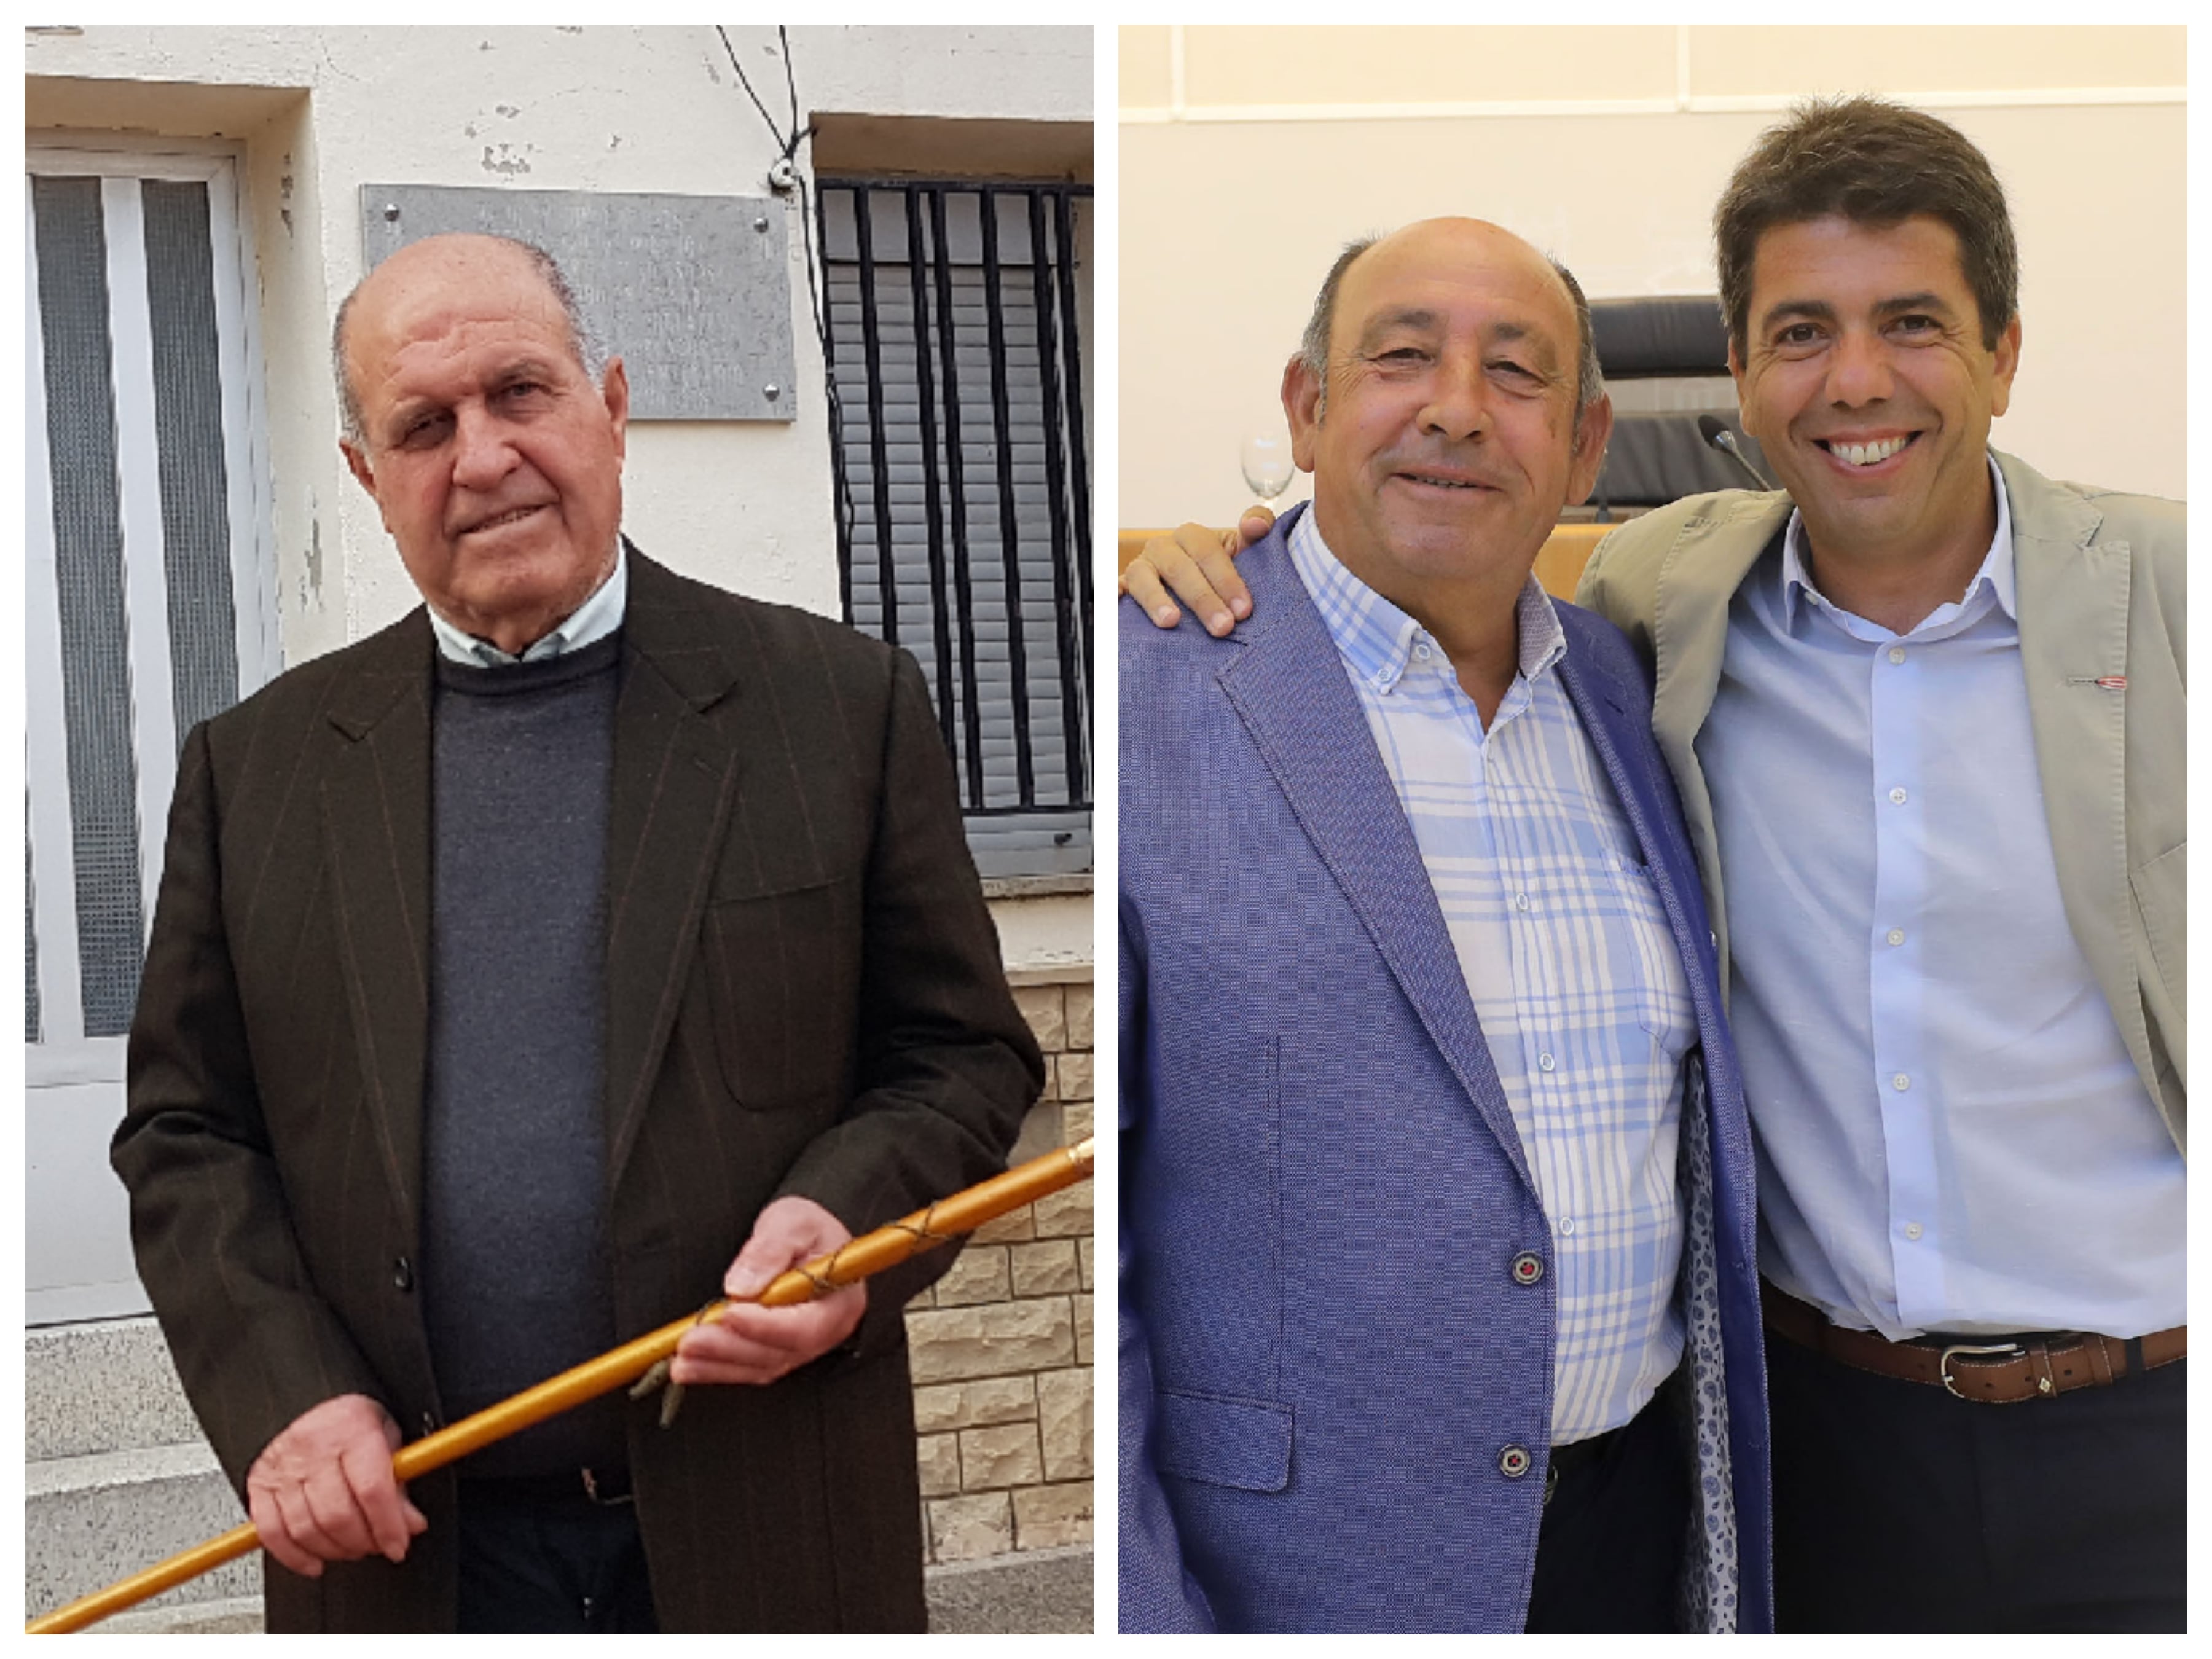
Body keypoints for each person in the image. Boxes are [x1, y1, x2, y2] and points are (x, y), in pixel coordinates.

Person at [1124, 98, 2184, 1634]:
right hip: (1810, 1449)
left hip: (2139, 1431)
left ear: (2005, 354)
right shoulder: (1651, 617)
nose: (1858, 380)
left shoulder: (2159, 599)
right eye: (1803, 331)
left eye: (1914, 324)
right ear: (1744, 377)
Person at [112, 232, 1045, 1634]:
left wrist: (847, 1218)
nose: (481, 457)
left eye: (521, 393)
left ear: (610, 406)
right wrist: (284, 1398)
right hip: (414, 1557)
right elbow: (188, 1134)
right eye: (424, 426)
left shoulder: (836, 706)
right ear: (370, 482)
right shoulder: (259, 771)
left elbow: (960, 1057)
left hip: (767, 1522)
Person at [1120, 216, 1773, 1634]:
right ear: (1306, 410)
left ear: (1587, 447)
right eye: (1400, 357)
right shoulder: (1149, 699)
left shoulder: (1627, 691)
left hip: (1630, 1542)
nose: (1457, 408)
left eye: (1517, 373)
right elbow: (1094, 1258)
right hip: (1302, 1579)